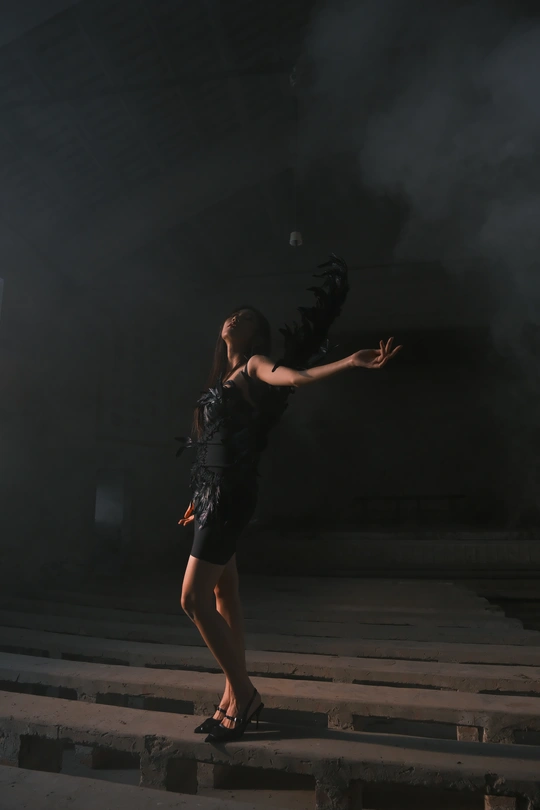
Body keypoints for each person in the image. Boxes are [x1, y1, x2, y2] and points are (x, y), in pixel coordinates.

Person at [175, 255, 402, 742]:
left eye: (246, 318)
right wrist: (199, 494)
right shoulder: (220, 379)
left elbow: (295, 378)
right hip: (214, 493)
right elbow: (213, 445)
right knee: (224, 594)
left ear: (256, 335)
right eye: (233, 314)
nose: (235, 318)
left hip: (232, 494)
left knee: (192, 599)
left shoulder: (254, 366)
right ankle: (229, 700)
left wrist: (350, 361)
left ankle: (245, 695)